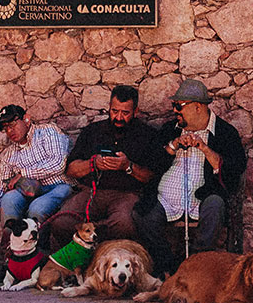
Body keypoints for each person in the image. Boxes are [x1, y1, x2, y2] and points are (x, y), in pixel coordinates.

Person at [136, 80, 246, 272]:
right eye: (174, 106)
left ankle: (196, 266)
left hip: (202, 196)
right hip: (167, 197)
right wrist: (173, 145)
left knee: (215, 206)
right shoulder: (170, 129)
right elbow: (151, 162)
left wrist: (204, 148)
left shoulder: (225, 133)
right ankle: (168, 267)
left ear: (197, 107)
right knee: (142, 216)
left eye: (179, 106)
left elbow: (234, 170)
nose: (175, 111)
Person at [43, 84, 168, 244]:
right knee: (62, 223)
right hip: (91, 192)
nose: (119, 117)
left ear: (136, 112)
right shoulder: (93, 131)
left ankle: (93, 236)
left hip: (127, 195)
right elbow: (71, 170)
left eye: (125, 113)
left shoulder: (148, 135)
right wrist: (92, 163)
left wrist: (128, 167)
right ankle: (85, 249)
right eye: (115, 111)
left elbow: (151, 176)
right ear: (109, 107)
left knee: (124, 225)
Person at [0, 104, 73, 234]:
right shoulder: (10, 155)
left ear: (26, 119)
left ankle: (39, 251)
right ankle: (10, 246)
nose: (9, 131)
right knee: (8, 199)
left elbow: (58, 165)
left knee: (37, 208)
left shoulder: (48, 132)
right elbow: (0, 188)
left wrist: (23, 173)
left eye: (12, 125)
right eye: (5, 128)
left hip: (59, 186)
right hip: (30, 191)